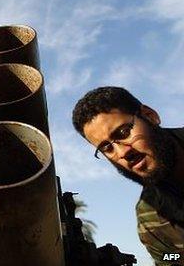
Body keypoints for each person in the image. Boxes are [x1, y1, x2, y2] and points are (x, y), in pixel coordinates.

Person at [72, 86, 184, 265]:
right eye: (107, 148)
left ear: (150, 116)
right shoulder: (150, 221)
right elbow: (171, 258)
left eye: (123, 132)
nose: (122, 153)